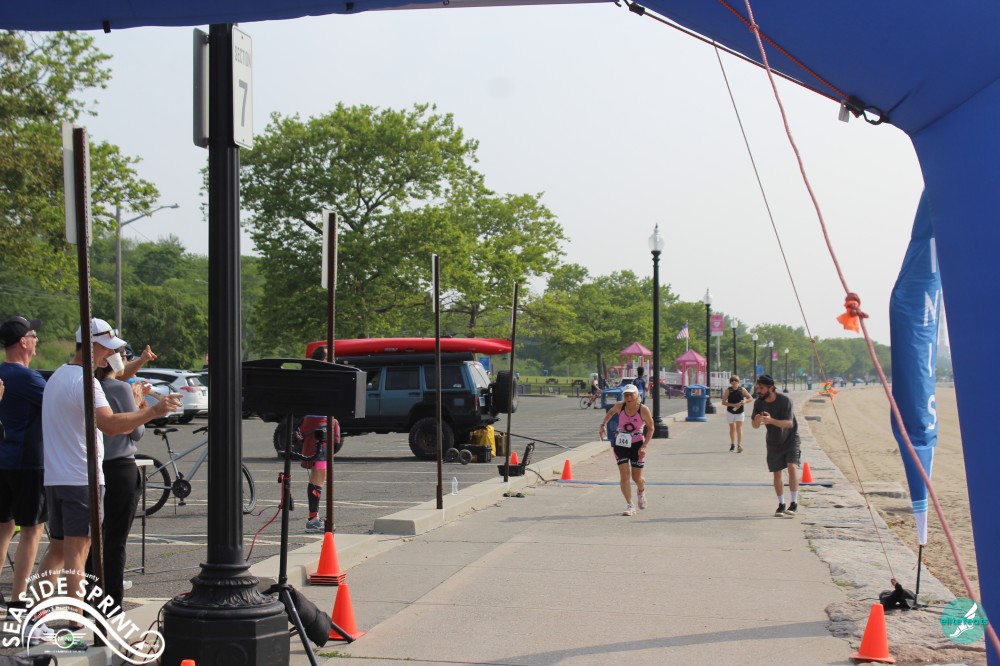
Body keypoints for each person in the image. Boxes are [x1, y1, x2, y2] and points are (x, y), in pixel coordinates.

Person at [41, 319, 180, 620]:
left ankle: (35, 617)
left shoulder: (58, 376)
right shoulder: (86, 381)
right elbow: (110, 425)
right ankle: (75, 623)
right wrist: (152, 411)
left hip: (56, 476)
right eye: (108, 348)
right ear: (92, 346)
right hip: (81, 478)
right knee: (78, 554)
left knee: (57, 550)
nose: (112, 355)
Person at [0, 316, 53, 635]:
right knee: (32, 530)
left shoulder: (3, 373)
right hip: (28, 463)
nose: (37, 340)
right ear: (23, 342)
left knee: (4, 527)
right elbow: (59, 406)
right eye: (33, 335)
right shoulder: (28, 378)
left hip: (3, 459)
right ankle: (19, 603)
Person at [88, 347, 151, 607]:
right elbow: (136, 432)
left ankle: (89, 596)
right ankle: (112, 600)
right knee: (115, 541)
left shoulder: (90, 386)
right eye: (125, 357)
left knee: (90, 540)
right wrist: (138, 406)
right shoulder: (120, 388)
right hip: (120, 467)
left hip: (93, 467)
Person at [598, 383, 654, 516]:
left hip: (637, 445)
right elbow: (611, 412)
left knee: (637, 478)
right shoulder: (620, 406)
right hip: (621, 444)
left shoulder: (643, 409)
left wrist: (644, 446)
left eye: (631, 395)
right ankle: (630, 505)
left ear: (637, 396)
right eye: (626, 395)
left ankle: (641, 491)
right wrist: (603, 425)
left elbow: (651, 428)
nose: (628, 398)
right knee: (624, 475)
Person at [750, 374, 801, 517]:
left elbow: (789, 423)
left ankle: (794, 503)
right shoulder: (758, 403)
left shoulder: (785, 400)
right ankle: (781, 504)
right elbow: (754, 425)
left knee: (791, 467)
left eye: (761, 388)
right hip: (773, 441)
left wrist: (771, 420)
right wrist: (757, 420)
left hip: (790, 438)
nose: (758, 391)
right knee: (777, 472)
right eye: (757, 388)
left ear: (771, 388)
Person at [300, 415, 341, 533]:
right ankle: (313, 520)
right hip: (320, 427)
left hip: (319, 425)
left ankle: (313, 517)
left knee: (317, 476)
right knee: (318, 477)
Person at [721, 375, 753, 453]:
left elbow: (750, 398)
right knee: (732, 428)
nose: (734, 382)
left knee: (739, 428)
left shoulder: (742, 389)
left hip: (740, 412)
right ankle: (732, 444)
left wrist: (745, 401)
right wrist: (733, 405)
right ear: (730, 382)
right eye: (732, 381)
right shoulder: (728, 390)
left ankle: (739, 445)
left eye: (736, 380)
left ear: (738, 382)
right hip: (730, 412)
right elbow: (723, 402)